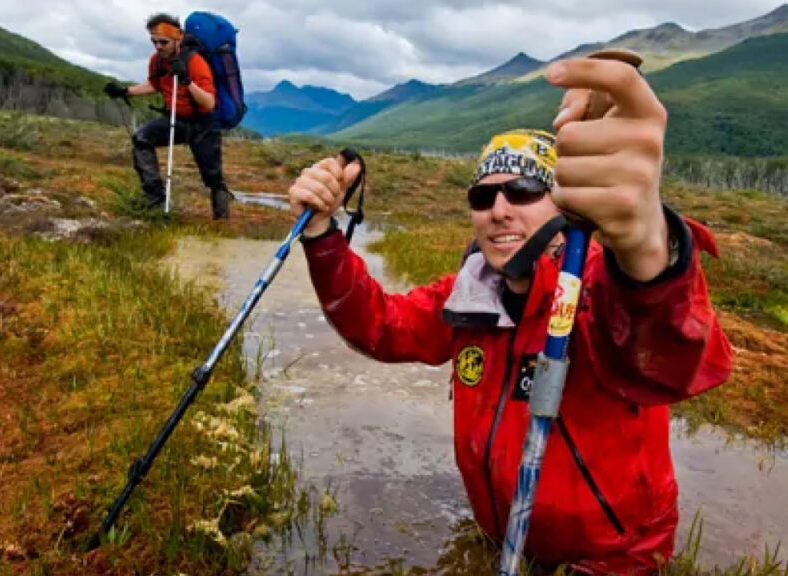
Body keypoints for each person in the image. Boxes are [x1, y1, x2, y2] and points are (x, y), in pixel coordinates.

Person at [287, 56, 734, 575]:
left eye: (523, 191)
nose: (499, 209)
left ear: (566, 204)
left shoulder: (597, 287)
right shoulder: (471, 294)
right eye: (483, 195)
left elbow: (669, 357)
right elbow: (380, 327)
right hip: (504, 539)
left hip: (610, 558)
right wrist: (320, 236)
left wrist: (648, 253)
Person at [104, 13, 231, 220]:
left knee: (213, 176)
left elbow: (208, 102)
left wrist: (186, 81)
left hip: (203, 123)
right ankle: (154, 199)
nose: (158, 47)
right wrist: (125, 91)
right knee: (141, 139)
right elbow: (155, 84)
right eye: (154, 42)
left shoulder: (195, 62)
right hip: (175, 119)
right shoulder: (157, 61)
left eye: (163, 42)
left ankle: (222, 219)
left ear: (178, 37)